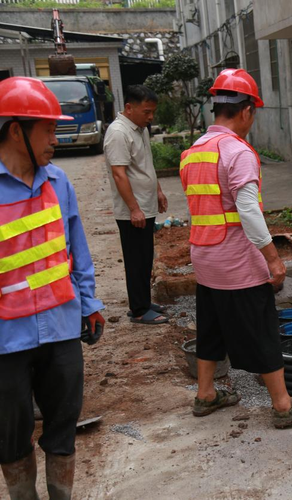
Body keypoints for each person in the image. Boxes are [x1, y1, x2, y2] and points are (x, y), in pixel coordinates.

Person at [180, 69, 292, 428]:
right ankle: (282, 406)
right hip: (236, 262)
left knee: (211, 327)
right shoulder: (237, 152)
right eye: (254, 113)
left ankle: (206, 395)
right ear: (246, 111)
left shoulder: (194, 151)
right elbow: (247, 210)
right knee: (262, 329)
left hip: (204, 258)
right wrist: (273, 259)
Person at [0, 77, 105, 500]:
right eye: (47, 129)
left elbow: (77, 250)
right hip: (6, 340)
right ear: (15, 130)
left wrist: (90, 303)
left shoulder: (58, 182)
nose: (55, 139)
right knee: (10, 437)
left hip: (61, 330)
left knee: (62, 429)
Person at [104, 85, 168, 325]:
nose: (151, 117)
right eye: (146, 111)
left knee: (145, 258)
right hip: (133, 211)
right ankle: (139, 310)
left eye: (152, 112)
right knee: (135, 259)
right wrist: (134, 208)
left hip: (145, 206)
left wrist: (158, 191)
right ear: (129, 108)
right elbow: (119, 174)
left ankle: (143, 301)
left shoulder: (140, 129)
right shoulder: (119, 132)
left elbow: (146, 165)